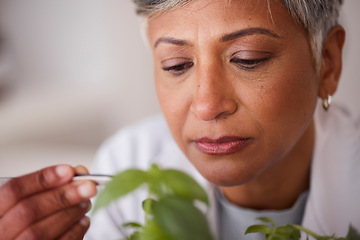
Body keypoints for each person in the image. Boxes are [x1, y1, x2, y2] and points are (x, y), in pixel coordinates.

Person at [0, 0, 359, 239]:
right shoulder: (127, 166)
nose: (206, 106)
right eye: (177, 65)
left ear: (327, 63)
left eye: (247, 59)